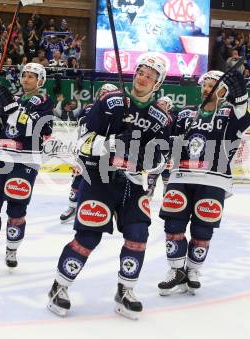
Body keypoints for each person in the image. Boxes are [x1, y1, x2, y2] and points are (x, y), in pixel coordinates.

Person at [47, 55, 171, 319]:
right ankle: (60, 287)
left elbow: (161, 159)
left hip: (133, 183)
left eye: (150, 75)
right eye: (140, 71)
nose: (142, 77)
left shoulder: (161, 117)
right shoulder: (111, 100)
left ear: (157, 83)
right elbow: (83, 142)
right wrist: (115, 141)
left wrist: (143, 153)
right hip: (99, 179)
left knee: (138, 235)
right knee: (88, 237)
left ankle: (125, 291)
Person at [157, 69, 250, 296]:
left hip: (214, 179)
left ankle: (192, 271)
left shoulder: (231, 115)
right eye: (205, 85)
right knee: (173, 225)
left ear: (223, 91)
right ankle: (176, 270)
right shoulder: (185, 114)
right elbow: (166, 138)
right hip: (181, 176)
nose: (207, 89)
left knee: (203, 229)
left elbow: (246, 117)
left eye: (213, 85)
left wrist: (241, 95)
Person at [0, 63, 54, 273]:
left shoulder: (44, 101)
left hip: (25, 159)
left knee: (16, 207)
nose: (26, 79)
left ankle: (12, 250)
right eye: (24, 75)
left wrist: (9, 108)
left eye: (31, 76)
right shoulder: (13, 99)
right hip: (1, 156)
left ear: (40, 81)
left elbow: (31, 128)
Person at [59, 83, 119, 224]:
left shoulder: (117, 111)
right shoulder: (90, 107)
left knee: (106, 181)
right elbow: (80, 121)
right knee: (78, 178)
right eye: (102, 92)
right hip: (85, 149)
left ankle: (108, 208)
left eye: (107, 93)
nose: (103, 94)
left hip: (104, 152)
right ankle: (73, 206)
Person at [147, 95, 175, 198]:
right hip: (154, 147)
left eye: (163, 104)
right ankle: (150, 188)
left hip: (168, 146)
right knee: (153, 167)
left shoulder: (171, 117)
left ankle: (166, 188)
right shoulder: (154, 116)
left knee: (166, 168)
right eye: (159, 103)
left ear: (168, 106)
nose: (160, 105)